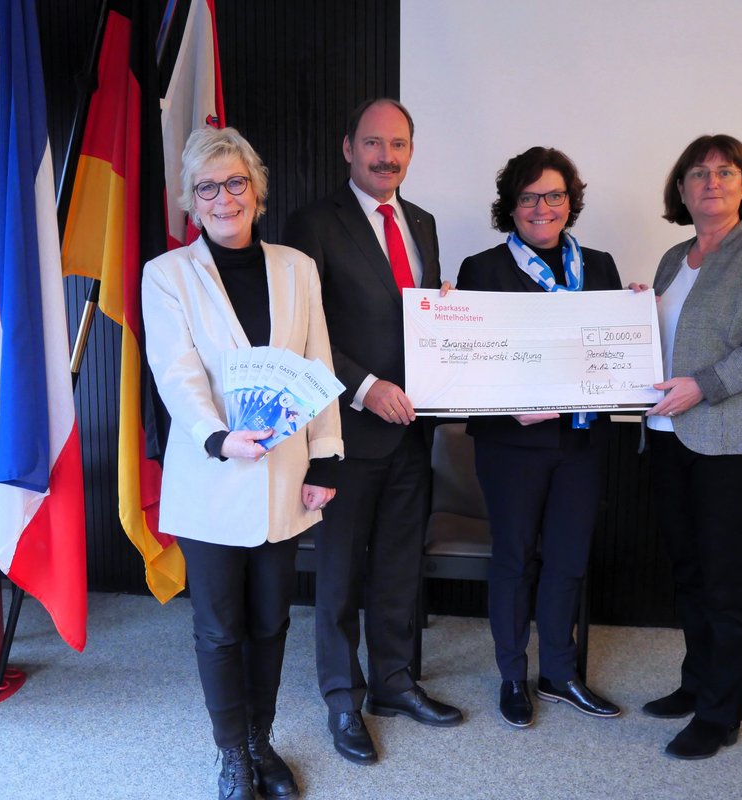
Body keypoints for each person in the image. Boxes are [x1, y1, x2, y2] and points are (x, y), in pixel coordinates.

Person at [142, 126, 344, 799]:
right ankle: (232, 754)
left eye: (235, 183)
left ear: (256, 191)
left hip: (285, 477)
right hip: (210, 475)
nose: (223, 198)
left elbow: (317, 363)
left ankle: (262, 741)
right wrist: (217, 438)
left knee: (271, 622)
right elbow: (176, 373)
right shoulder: (167, 274)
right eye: (207, 187)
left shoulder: (297, 267)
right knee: (220, 628)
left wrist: (326, 458)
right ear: (190, 199)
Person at [283, 98, 461, 766]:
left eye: (399, 144)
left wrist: (448, 323)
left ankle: (393, 683)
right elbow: (303, 329)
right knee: (340, 574)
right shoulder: (313, 223)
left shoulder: (423, 223)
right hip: (345, 431)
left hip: (413, 429)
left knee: (397, 567)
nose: (387, 156)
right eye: (374, 143)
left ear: (410, 152)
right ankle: (341, 698)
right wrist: (365, 387)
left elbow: (414, 317)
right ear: (348, 148)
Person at [635, 134, 742, 760]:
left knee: (728, 583)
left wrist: (703, 385)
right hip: (668, 440)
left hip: (738, 448)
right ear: (680, 189)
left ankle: (720, 714)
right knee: (690, 574)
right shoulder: (672, 259)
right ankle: (697, 683)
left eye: (725, 171)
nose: (711, 182)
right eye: (698, 173)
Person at [454, 147, 623, 729]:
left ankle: (559, 673)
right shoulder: (482, 269)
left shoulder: (600, 267)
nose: (542, 207)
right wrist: (509, 407)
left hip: (582, 441)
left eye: (554, 195)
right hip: (511, 445)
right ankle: (511, 676)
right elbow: (467, 362)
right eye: (528, 197)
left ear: (570, 202)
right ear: (511, 206)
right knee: (514, 558)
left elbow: (612, 348)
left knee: (568, 560)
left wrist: (636, 318)